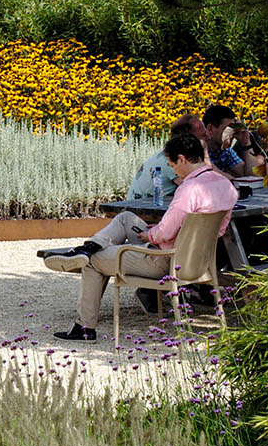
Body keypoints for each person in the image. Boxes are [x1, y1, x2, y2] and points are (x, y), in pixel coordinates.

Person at [38, 131, 238, 341]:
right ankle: (88, 246)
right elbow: (197, 227)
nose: (174, 170)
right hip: (198, 260)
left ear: (182, 158)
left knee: (93, 261)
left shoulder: (189, 189)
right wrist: (154, 231)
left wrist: (149, 234)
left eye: (172, 164)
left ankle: (85, 327)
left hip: (165, 261)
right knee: (126, 219)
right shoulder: (226, 186)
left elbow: (165, 232)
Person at [124, 115, 202, 200]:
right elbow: (195, 190)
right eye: (203, 136)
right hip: (140, 207)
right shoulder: (172, 160)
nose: (208, 138)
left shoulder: (170, 155)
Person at [202, 102, 254, 174]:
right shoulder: (197, 150)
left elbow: (252, 175)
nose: (232, 133)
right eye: (228, 129)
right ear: (210, 129)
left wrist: (246, 144)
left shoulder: (224, 150)